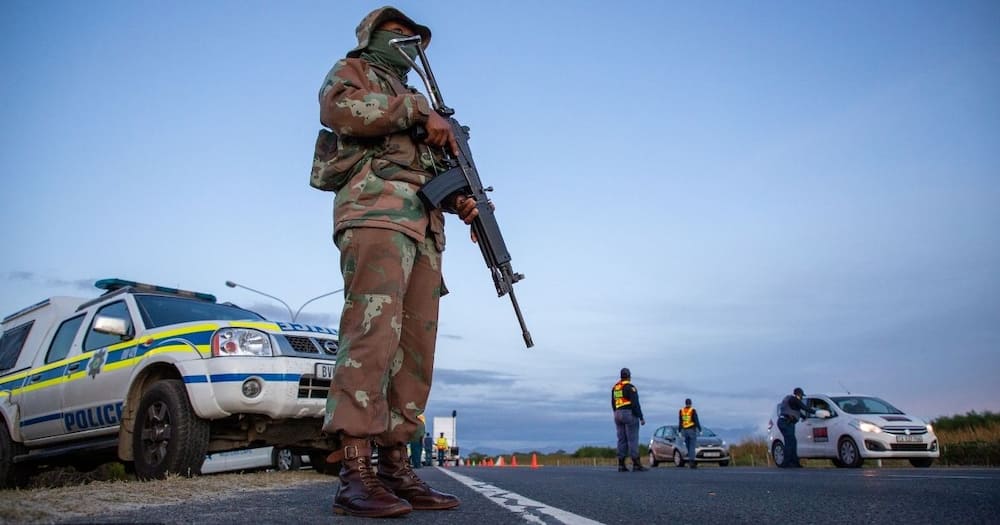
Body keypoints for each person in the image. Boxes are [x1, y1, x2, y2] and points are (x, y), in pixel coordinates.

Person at [318, 6, 479, 518]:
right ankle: (355, 470)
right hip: (377, 213)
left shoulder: (425, 106)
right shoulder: (356, 72)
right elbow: (337, 109)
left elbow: (432, 172)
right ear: (374, 36)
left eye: (417, 37)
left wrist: (461, 202)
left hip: (425, 229)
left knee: (415, 349)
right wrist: (413, 112)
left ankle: (395, 465)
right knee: (373, 337)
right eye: (400, 34)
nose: (410, 42)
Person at [611, 367, 646, 472]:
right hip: (628, 414)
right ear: (629, 376)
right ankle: (636, 464)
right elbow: (635, 404)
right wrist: (641, 417)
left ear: (621, 376)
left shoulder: (615, 388)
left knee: (621, 439)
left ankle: (621, 464)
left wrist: (616, 412)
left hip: (617, 414)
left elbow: (613, 402)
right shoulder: (630, 387)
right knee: (632, 439)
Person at [778, 387, 816, 468]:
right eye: (801, 395)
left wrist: (803, 416)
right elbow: (804, 407)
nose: (802, 397)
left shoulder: (789, 400)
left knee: (792, 442)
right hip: (786, 422)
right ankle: (786, 463)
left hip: (784, 422)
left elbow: (797, 411)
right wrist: (816, 412)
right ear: (798, 394)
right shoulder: (794, 400)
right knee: (790, 442)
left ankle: (794, 462)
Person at [679, 398, 702, 469]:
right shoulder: (693, 410)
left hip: (684, 430)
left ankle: (690, 461)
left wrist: (679, 430)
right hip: (691, 430)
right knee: (692, 446)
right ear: (691, 403)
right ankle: (692, 463)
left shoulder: (681, 411)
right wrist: (700, 429)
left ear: (685, 403)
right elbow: (696, 420)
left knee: (688, 446)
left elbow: (680, 421)